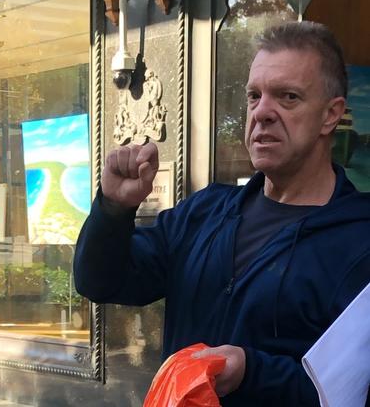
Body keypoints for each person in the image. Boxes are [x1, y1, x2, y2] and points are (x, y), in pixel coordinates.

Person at [74, 21, 370, 406]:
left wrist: (251, 372)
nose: (262, 112)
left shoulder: (360, 244)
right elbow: (100, 282)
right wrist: (113, 209)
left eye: (288, 97)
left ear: (331, 115)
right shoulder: (204, 213)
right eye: (254, 96)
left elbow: (349, 394)